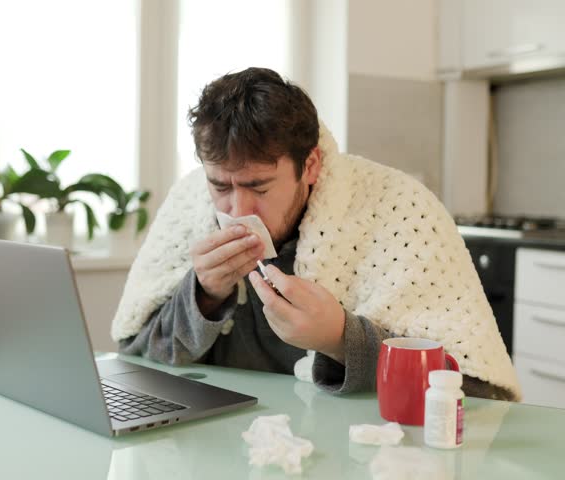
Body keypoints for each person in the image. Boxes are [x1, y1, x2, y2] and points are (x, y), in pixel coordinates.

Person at [112, 67, 520, 400]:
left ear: (310, 166)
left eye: (259, 187)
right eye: (221, 186)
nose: (237, 211)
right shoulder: (189, 202)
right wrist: (203, 296)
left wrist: (340, 338)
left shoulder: (397, 206)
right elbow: (138, 356)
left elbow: (474, 389)